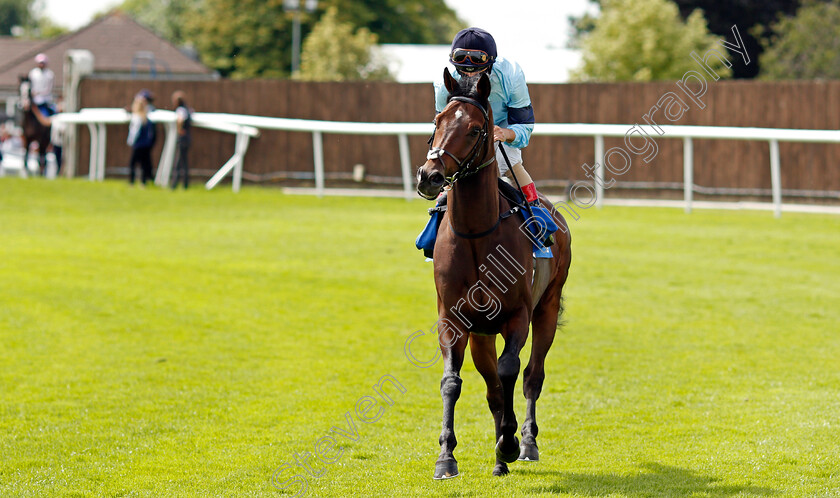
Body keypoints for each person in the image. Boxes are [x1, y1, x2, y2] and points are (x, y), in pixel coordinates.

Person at [433, 27, 540, 205]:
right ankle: (432, 227)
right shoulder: (443, 82)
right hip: (465, 134)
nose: (469, 75)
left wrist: (506, 134)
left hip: (501, 128)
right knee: (446, 182)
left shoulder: (511, 75)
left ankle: (537, 216)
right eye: (463, 70)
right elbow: (442, 126)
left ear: (491, 63)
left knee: (511, 162)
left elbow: (525, 125)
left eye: (477, 69)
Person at [126, 94, 157, 186]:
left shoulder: (137, 118)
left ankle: (131, 182)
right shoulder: (146, 117)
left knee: (133, 164)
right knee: (144, 164)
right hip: (146, 144)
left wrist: (130, 141)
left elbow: (134, 132)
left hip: (138, 144)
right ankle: (143, 182)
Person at [170, 90, 192, 189]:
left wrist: (179, 129)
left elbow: (180, 120)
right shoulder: (188, 109)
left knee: (178, 162)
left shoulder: (180, 110)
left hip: (183, 138)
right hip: (188, 137)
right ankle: (185, 184)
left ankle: (174, 185)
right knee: (184, 162)